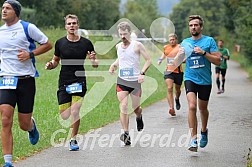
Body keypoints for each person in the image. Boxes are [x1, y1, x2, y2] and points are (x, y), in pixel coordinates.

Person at [0, 0, 52, 166]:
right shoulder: (0, 32)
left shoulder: (27, 27)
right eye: (2, 8)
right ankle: (8, 161)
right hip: (6, 80)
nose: (3, 10)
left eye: (7, 8)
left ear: (15, 11)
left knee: (23, 123)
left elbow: (47, 44)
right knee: (6, 119)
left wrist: (30, 54)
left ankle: (31, 127)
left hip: (25, 81)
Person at [45, 14, 98, 151]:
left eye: (74, 23)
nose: (72, 26)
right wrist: (51, 65)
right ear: (65, 26)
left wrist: (93, 59)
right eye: (69, 24)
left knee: (75, 111)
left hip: (79, 80)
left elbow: (95, 64)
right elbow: (55, 60)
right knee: (65, 115)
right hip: (64, 80)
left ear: (78, 25)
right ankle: (72, 134)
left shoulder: (86, 43)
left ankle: (73, 139)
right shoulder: (60, 43)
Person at [181, 15, 221, 152]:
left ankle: (204, 131)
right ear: (189, 28)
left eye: (196, 25)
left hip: (205, 80)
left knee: (202, 109)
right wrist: (179, 58)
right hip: (190, 78)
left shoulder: (209, 41)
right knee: (192, 106)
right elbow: (180, 60)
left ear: (201, 27)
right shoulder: (185, 42)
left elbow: (218, 61)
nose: (193, 27)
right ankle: (193, 139)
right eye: (191, 25)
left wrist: (203, 53)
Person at [109, 22, 151, 145]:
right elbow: (121, 59)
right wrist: (113, 65)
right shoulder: (118, 47)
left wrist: (142, 73)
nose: (123, 36)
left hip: (135, 81)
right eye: (120, 34)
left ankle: (139, 116)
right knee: (123, 105)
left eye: (125, 34)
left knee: (135, 108)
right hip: (122, 80)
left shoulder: (137, 45)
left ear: (130, 33)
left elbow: (148, 60)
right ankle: (126, 133)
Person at [157, 33, 183, 116]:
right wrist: (160, 59)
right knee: (169, 88)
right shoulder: (166, 47)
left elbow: (183, 56)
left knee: (178, 89)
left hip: (178, 72)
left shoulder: (179, 47)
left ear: (176, 40)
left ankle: (177, 98)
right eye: (170, 40)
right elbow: (164, 54)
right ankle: (171, 108)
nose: (172, 41)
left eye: (173, 39)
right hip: (168, 71)